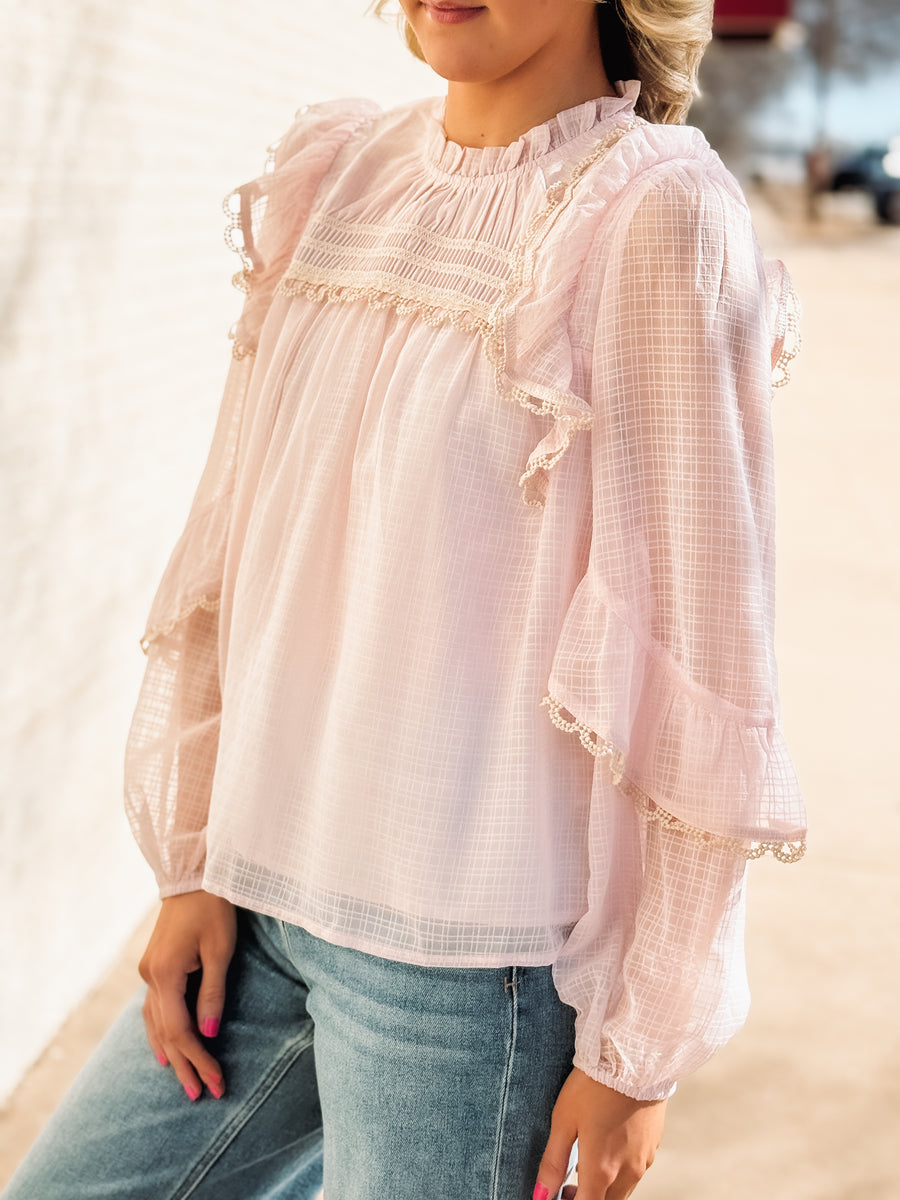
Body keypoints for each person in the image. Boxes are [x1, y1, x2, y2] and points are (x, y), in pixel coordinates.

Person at [4, 1, 807, 1197]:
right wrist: (195, 861)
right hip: (260, 908)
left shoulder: (651, 212)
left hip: (470, 976)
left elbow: (705, 642)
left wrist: (642, 1052)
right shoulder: (341, 171)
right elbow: (241, 538)